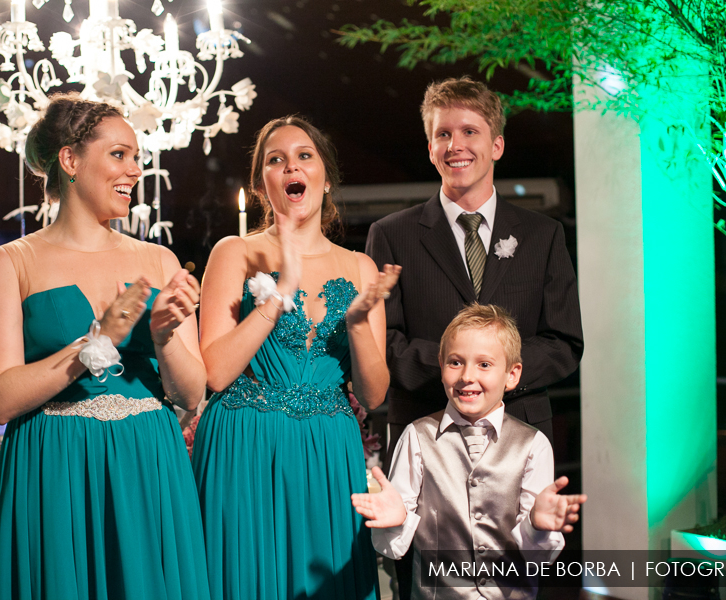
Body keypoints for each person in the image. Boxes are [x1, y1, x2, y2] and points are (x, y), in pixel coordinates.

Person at [0, 93, 211, 600]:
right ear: (70, 160)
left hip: (148, 460)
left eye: (138, 157)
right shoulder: (11, 263)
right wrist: (97, 342)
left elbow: (191, 396)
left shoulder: (160, 259)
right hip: (55, 465)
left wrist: (165, 337)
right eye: (120, 154)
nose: (136, 169)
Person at [191, 115, 399, 600]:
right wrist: (279, 290)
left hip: (327, 451)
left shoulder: (360, 267)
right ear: (262, 184)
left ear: (325, 178)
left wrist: (356, 325)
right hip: (243, 445)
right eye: (275, 159)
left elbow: (374, 393)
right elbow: (216, 373)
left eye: (304, 155)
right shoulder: (234, 253)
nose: (291, 166)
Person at [365, 76, 584, 454]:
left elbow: (563, 342)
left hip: (520, 433)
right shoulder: (390, 235)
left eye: (470, 131)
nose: (456, 146)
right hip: (424, 430)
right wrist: (458, 377)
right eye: (443, 134)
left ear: (496, 145)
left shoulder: (543, 235)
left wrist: (494, 378)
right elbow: (382, 342)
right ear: (430, 148)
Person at [351, 304, 587, 600]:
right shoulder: (416, 436)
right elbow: (393, 547)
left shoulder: (534, 444)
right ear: (441, 367)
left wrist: (536, 526)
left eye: (484, 364)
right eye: (455, 362)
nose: (466, 376)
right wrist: (397, 520)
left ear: (512, 374)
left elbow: (536, 560)